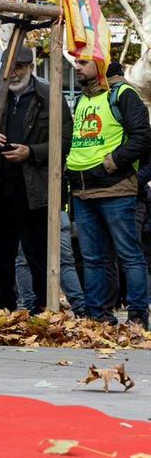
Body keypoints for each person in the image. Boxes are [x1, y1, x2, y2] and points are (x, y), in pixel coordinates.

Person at [66, 56, 151, 328]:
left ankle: (137, 317)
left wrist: (112, 163)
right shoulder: (81, 100)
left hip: (116, 189)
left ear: (100, 65)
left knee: (129, 255)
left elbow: (143, 137)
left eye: (82, 62)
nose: (76, 67)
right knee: (92, 258)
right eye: (76, 62)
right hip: (83, 192)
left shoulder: (124, 95)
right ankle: (97, 316)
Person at [0, 46, 72, 312]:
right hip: (0, 187)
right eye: (10, 68)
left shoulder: (50, 96)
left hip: (34, 187)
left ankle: (42, 308)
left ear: (30, 67)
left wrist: (31, 152)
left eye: (19, 68)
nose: (14, 74)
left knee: (37, 251)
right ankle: (3, 307)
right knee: (1, 253)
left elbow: (64, 140)